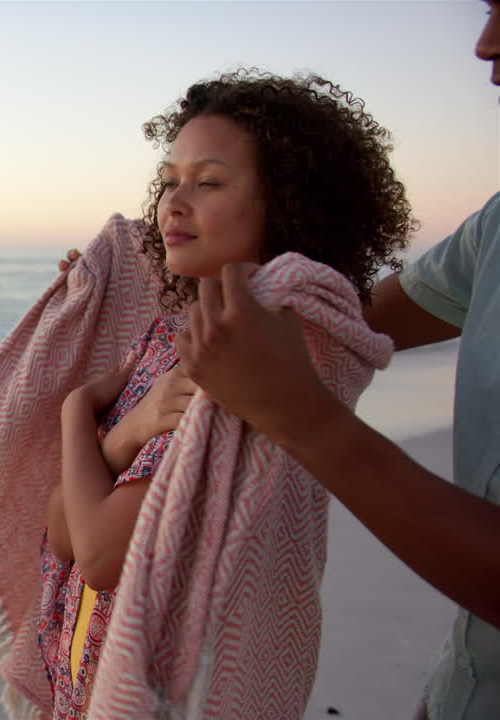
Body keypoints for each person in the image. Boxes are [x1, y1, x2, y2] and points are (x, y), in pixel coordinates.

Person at [37, 68, 416, 719]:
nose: (173, 204)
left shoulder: (239, 366)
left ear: (291, 206)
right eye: (169, 181)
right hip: (81, 687)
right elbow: (58, 528)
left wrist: (78, 409)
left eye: (208, 182)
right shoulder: (168, 337)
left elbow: (97, 551)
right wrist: (123, 435)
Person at [156, 8, 500, 720]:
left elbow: (93, 549)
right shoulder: (495, 229)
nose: (484, 43)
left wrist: (299, 414)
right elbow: (349, 318)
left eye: (210, 183)